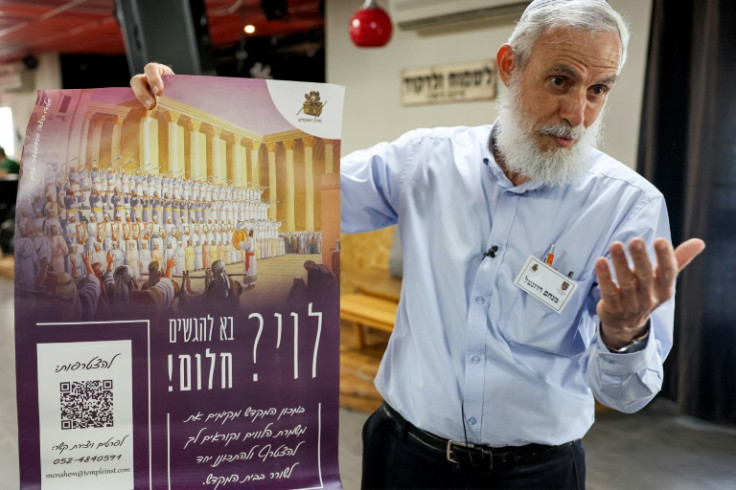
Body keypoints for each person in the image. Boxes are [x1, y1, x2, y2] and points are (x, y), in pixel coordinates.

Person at [130, 1, 706, 486]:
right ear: (509, 67)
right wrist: (179, 108)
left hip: (537, 474)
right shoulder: (423, 162)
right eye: (561, 80)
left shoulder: (628, 206)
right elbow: (293, 200)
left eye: (598, 90)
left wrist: (624, 335)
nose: (577, 113)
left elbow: (630, 396)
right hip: (405, 458)